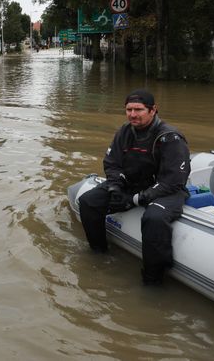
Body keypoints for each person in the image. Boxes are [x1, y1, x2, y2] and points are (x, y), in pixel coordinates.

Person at [78, 89, 190, 285]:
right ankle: (99, 253)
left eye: (138, 109)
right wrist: (115, 187)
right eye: (128, 109)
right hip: (131, 184)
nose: (132, 114)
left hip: (166, 191)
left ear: (153, 110)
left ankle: (153, 279)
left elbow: (173, 180)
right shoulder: (124, 131)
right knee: (89, 201)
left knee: (154, 218)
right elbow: (112, 163)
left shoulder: (170, 137)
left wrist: (138, 199)